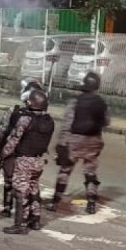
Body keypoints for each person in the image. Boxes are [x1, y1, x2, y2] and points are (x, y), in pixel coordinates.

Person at [48, 71, 109, 214]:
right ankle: (92, 203)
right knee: (90, 172)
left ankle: (55, 201)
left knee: (65, 170)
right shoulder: (101, 103)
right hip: (94, 140)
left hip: (75, 140)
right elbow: (106, 122)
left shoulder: (75, 102)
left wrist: (61, 144)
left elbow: (67, 124)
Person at [0, 88, 54, 234]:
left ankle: (20, 224)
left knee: (20, 192)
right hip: (39, 160)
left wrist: (4, 154)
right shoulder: (49, 121)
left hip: (24, 160)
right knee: (34, 189)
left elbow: (14, 140)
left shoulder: (26, 119)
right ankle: (35, 220)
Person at [0, 78, 44, 216]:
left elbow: (3, 132)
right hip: (31, 156)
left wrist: (1, 151)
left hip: (13, 153)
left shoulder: (14, 111)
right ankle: (33, 216)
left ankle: (7, 208)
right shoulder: (44, 117)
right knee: (32, 184)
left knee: (9, 181)